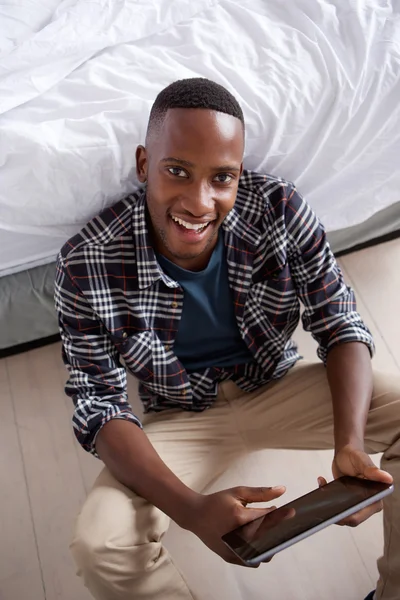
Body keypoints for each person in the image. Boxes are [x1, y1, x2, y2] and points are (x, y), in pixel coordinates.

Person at [54, 77, 400, 600]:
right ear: (144, 164)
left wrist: (349, 444)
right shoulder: (85, 263)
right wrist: (191, 510)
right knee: (100, 545)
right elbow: (100, 405)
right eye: (177, 172)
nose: (200, 201)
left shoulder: (279, 209)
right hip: (181, 417)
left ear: (239, 176)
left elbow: (339, 322)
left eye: (222, 178)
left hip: (276, 383)